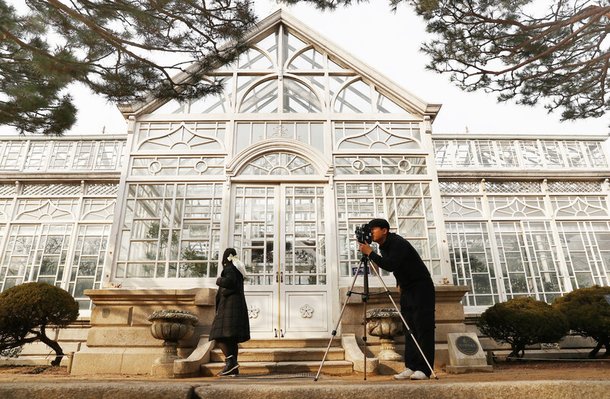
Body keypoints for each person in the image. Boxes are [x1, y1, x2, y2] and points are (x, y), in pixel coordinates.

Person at [358, 218, 435, 380]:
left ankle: (425, 369)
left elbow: (391, 264)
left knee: (423, 328)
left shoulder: (397, 242)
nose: (371, 232)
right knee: (409, 328)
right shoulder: (384, 246)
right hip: (407, 288)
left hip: (421, 287)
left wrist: (370, 253)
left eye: (373, 229)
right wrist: (400, 283)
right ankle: (411, 366)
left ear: (384, 230)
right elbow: (396, 266)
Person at [209, 248, 250, 376]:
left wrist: (218, 280)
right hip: (236, 308)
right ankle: (233, 368)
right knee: (231, 339)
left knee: (218, 336)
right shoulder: (237, 270)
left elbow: (229, 282)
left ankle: (230, 362)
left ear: (225, 258)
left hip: (228, 308)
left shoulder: (229, 268)